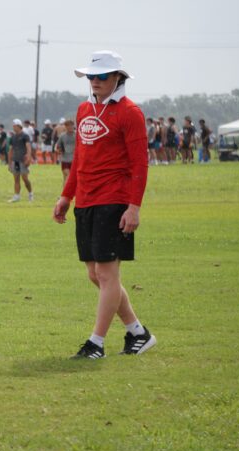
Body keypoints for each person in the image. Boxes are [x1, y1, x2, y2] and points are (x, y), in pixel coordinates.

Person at [53, 50, 156, 359]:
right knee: (95, 275)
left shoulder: (130, 112)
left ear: (117, 78)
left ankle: (96, 343)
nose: (94, 82)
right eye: (91, 77)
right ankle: (138, 332)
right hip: (85, 199)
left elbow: (140, 164)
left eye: (101, 77)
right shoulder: (83, 109)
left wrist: (134, 207)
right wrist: (66, 195)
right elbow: (80, 159)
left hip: (114, 200)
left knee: (108, 274)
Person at [7, 119, 33, 202]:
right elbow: (11, 150)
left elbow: (28, 148)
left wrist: (29, 158)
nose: (13, 127)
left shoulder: (25, 136)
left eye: (14, 126)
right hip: (16, 160)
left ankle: (30, 194)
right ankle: (16, 196)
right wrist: (9, 162)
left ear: (19, 126)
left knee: (25, 178)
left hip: (23, 160)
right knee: (16, 178)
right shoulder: (13, 137)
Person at [55, 119, 76, 185]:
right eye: (68, 126)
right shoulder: (62, 136)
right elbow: (58, 147)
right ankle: (65, 194)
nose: (70, 127)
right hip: (65, 160)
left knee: (74, 178)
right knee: (67, 176)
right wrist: (58, 151)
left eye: (71, 125)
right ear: (65, 127)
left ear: (73, 126)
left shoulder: (77, 135)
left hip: (75, 160)